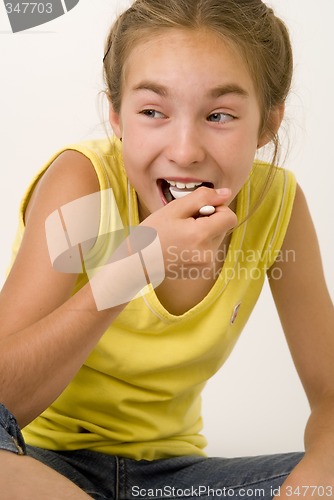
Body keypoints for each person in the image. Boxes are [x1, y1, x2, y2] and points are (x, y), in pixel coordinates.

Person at [0, 0, 333, 498]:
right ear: (116, 115)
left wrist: (314, 484)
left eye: (219, 115)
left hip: (176, 483)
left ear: (268, 123)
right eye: (152, 111)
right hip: (38, 465)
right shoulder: (86, 188)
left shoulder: (276, 205)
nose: (184, 150)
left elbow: (329, 392)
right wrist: (135, 264)